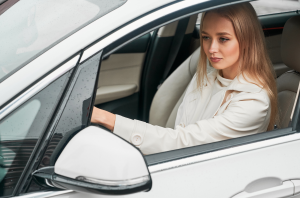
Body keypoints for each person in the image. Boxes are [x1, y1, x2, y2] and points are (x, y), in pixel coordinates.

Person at [91, 2, 278, 155]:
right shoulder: (208, 76)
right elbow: (180, 132)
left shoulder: (253, 102)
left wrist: (105, 118)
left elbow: (182, 141)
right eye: (206, 37)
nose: (211, 48)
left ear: (247, 40)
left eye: (223, 39)